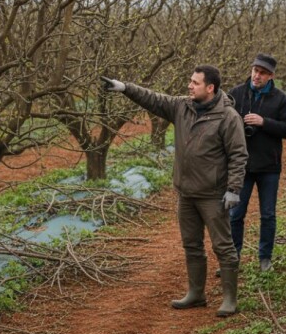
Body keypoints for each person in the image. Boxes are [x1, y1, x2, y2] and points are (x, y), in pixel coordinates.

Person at [101, 66, 247, 317]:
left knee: (223, 246)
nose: (189, 86)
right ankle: (196, 293)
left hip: (212, 194)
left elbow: (238, 155)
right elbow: (153, 99)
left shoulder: (228, 117)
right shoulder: (183, 106)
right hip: (186, 192)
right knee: (191, 244)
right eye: (190, 81)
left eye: (195, 82)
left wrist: (233, 189)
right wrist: (125, 88)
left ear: (210, 88)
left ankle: (229, 299)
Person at [228, 54, 286, 272]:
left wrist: (264, 122)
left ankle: (265, 258)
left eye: (263, 72)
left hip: (269, 166)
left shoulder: (281, 99)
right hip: (241, 166)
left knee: (268, 214)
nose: (257, 75)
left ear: (271, 76)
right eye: (255, 70)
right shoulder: (237, 93)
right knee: (236, 213)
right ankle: (233, 256)